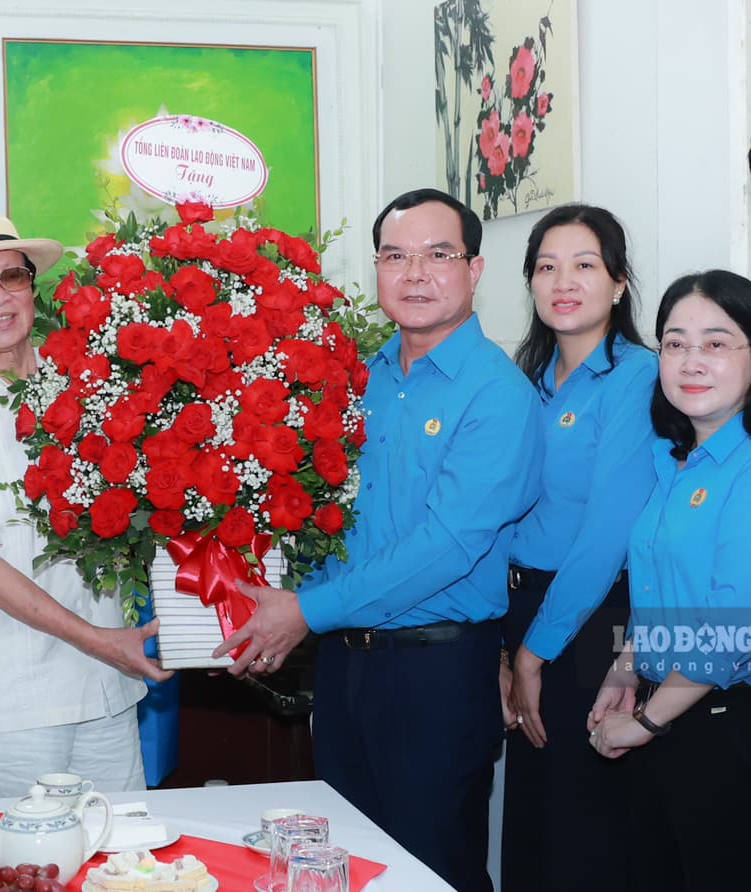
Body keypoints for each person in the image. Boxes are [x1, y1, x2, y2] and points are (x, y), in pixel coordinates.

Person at [218, 188, 543, 892]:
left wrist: (301, 612)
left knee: (430, 870)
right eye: (395, 256)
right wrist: (262, 604)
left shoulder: (496, 394)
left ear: (474, 270)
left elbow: (447, 545)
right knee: (345, 868)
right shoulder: (353, 378)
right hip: (343, 667)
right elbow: (318, 512)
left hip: (437, 673)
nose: (415, 273)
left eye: (437, 255)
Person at [0, 205, 168, 798]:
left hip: (108, 686)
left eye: (11, 277)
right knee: (24, 869)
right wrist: (100, 642)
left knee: (120, 861)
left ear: (32, 286)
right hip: (17, 701)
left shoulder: (83, 383)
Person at [500, 205, 656, 891]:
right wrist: (505, 649)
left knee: (583, 832)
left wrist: (533, 652)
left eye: (584, 264)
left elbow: (605, 534)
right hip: (520, 612)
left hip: (591, 624)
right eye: (545, 265)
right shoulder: (522, 381)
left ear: (618, 283)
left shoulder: (637, 378)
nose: (562, 280)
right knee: (530, 824)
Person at [588, 269, 751, 889]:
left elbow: (731, 627)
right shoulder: (672, 461)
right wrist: (624, 670)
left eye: (717, 342)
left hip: (725, 725)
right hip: (670, 708)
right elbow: (661, 598)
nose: (692, 360)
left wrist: (648, 721)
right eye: (675, 342)